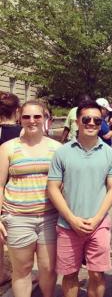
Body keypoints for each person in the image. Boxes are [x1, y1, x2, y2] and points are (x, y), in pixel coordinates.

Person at [47, 100, 112, 297]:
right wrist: (71, 219)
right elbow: (53, 188)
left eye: (97, 120)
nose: (91, 123)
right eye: (86, 119)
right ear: (77, 121)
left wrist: (97, 219)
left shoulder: (109, 154)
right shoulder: (62, 152)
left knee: (97, 274)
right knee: (70, 275)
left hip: (99, 224)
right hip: (67, 224)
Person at [0, 100, 61, 297]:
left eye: (37, 116)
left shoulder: (57, 148)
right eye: (26, 116)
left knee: (48, 268)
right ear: (19, 117)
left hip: (49, 217)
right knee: (22, 270)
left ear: (45, 118)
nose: (32, 121)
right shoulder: (8, 148)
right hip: (17, 217)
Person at [0, 92, 22, 285]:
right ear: (17, 111)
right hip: (14, 188)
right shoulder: (22, 134)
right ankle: (16, 272)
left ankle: (1, 271)